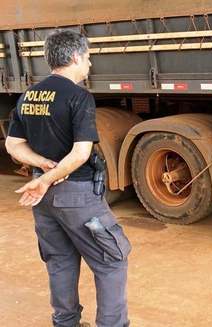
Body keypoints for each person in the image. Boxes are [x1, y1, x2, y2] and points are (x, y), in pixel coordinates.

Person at [5, 30, 130, 327]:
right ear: (75, 57)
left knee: (60, 261)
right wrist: (50, 177)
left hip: (43, 199)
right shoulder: (79, 96)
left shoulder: (28, 95)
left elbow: (13, 144)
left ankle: (66, 323)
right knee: (112, 260)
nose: (89, 65)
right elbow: (80, 153)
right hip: (77, 196)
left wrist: (42, 168)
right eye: (87, 58)